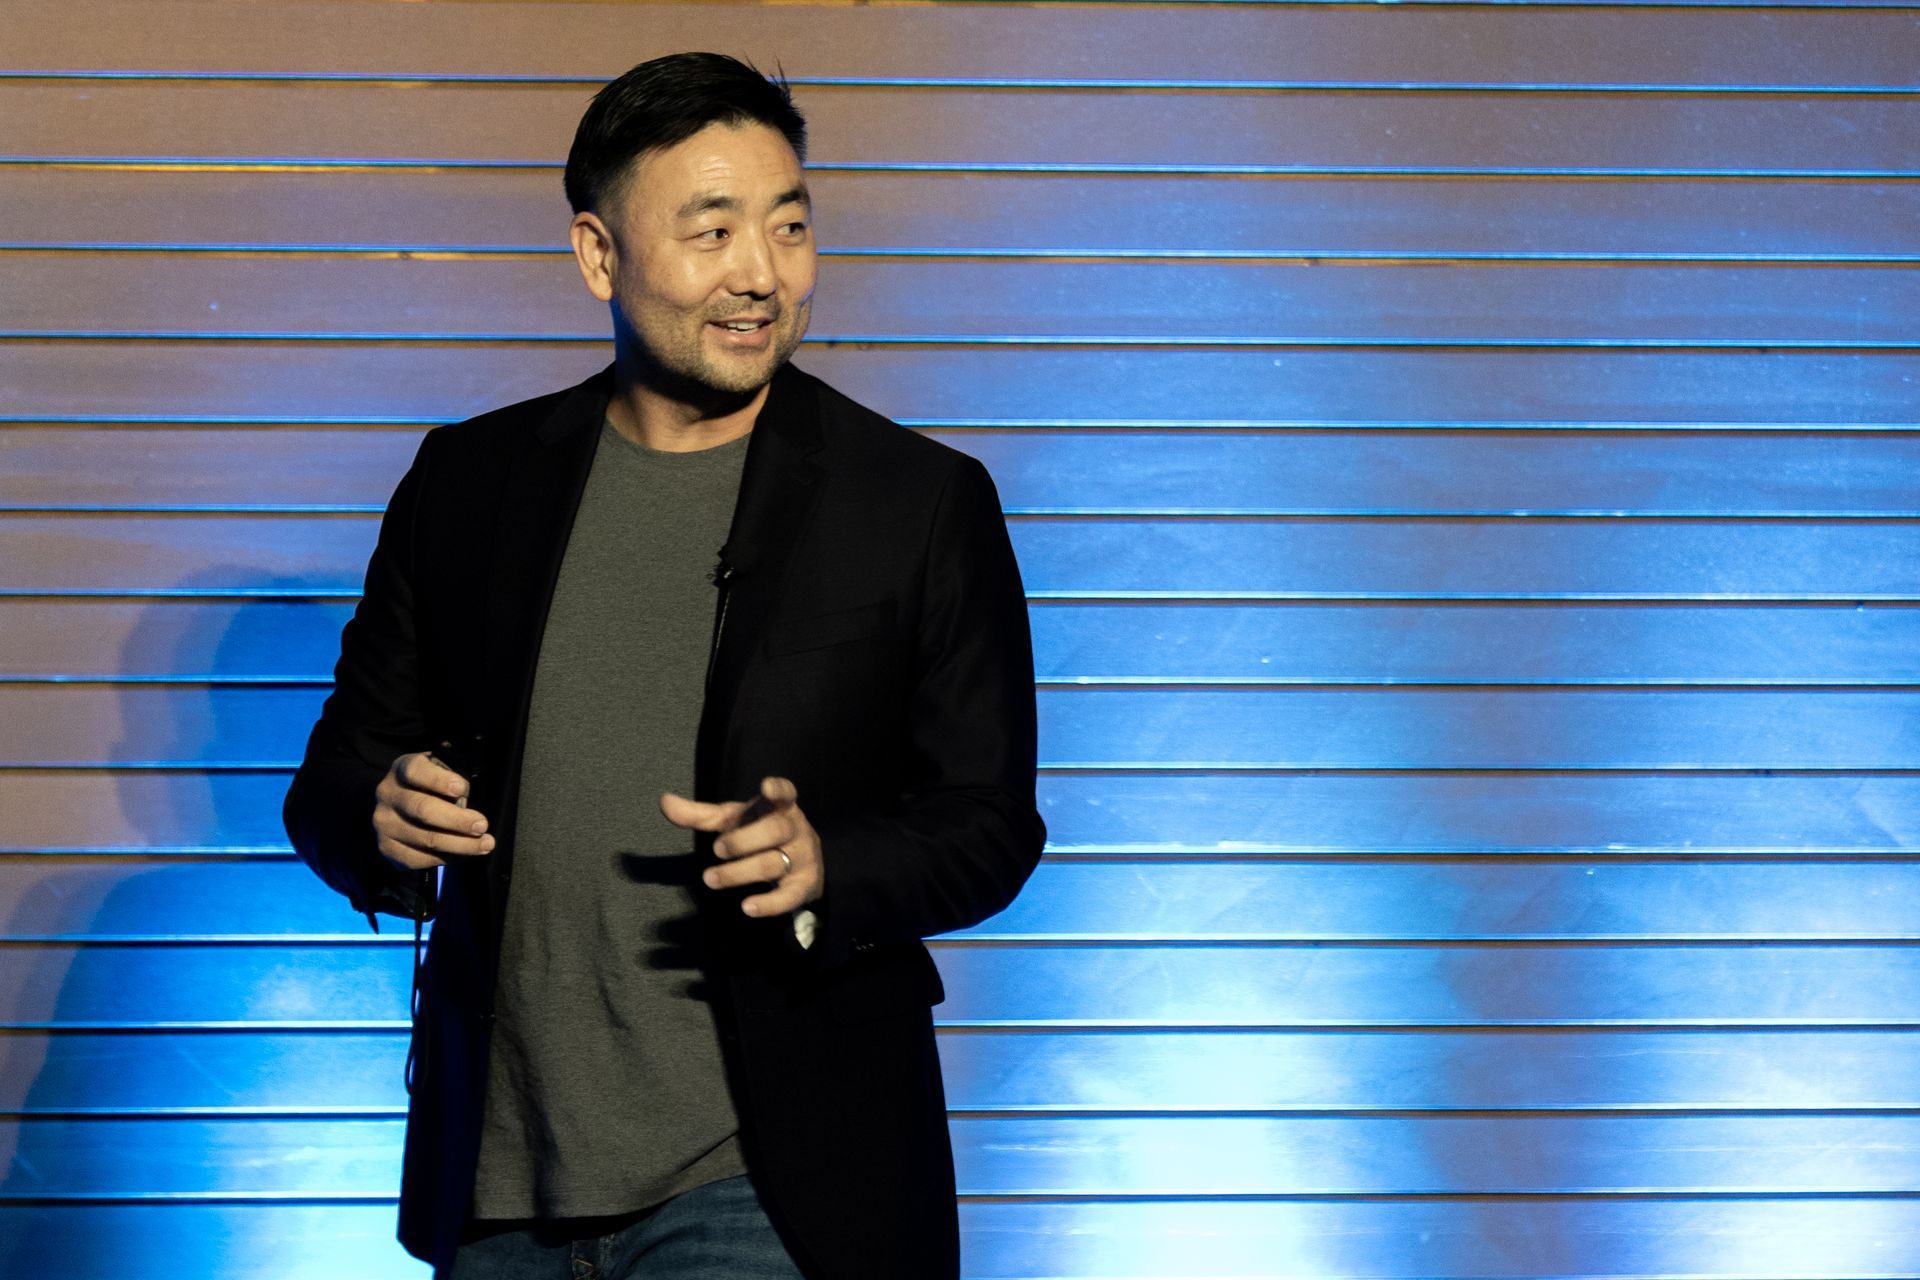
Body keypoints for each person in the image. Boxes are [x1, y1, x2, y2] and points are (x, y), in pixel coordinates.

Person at [282, 52, 1044, 1280]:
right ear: (599, 255)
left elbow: (991, 822)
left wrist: (828, 860)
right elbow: (331, 786)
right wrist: (379, 814)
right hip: (501, 1179)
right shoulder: (468, 486)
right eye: (714, 230)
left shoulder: (916, 502)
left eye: (790, 224)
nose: (762, 272)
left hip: (769, 1178)